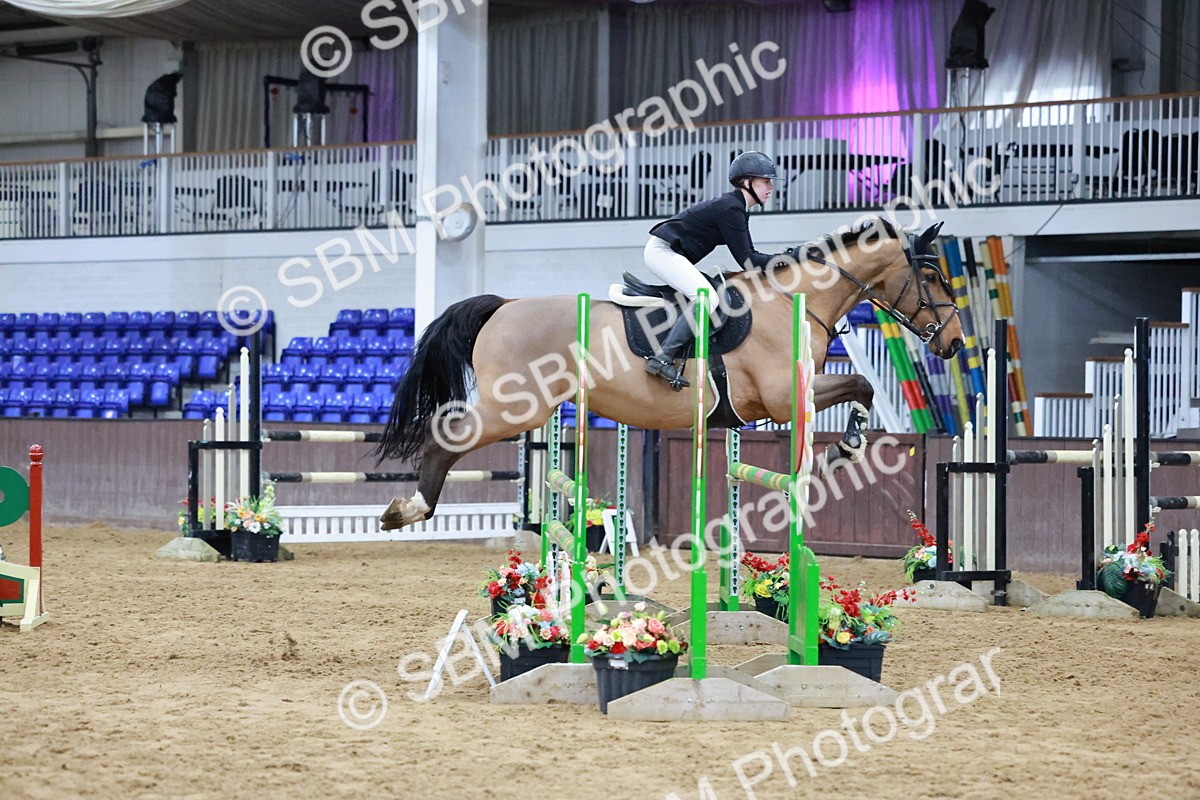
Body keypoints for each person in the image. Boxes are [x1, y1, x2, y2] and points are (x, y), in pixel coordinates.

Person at [642, 150, 786, 389]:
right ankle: (662, 357)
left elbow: (749, 257)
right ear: (747, 183)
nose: (770, 187)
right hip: (662, 252)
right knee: (706, 296)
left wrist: (784, 259)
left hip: (670, 253)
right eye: (765, 181)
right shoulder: (731, 208)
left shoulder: (736, 207)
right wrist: (786, 260)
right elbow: (749, 260)